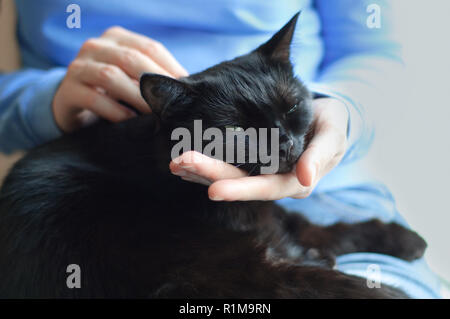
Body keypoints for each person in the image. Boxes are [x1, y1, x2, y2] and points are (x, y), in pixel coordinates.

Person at [0, 0, 442, 298]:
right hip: (98, 210)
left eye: (290, 115)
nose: (282, 143)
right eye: (248, 130)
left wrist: (344, 112)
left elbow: (378, 50)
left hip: (330, 185)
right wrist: (44, 101)